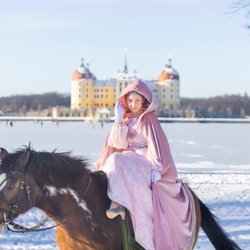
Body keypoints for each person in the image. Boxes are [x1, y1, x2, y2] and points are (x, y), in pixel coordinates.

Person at [94, 79, 196, 250]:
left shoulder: (148, 119)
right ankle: (114, 202)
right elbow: (118, 144)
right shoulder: (125, 119)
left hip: (144, 161)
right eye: (130, 100)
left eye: (137, 101)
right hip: (127, 157)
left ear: (144, 102)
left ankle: (118, 205)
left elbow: (156, 145)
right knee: (113, 161)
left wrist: (156, 168)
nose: (133, 104)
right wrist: (118, 121)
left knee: (116, 160)